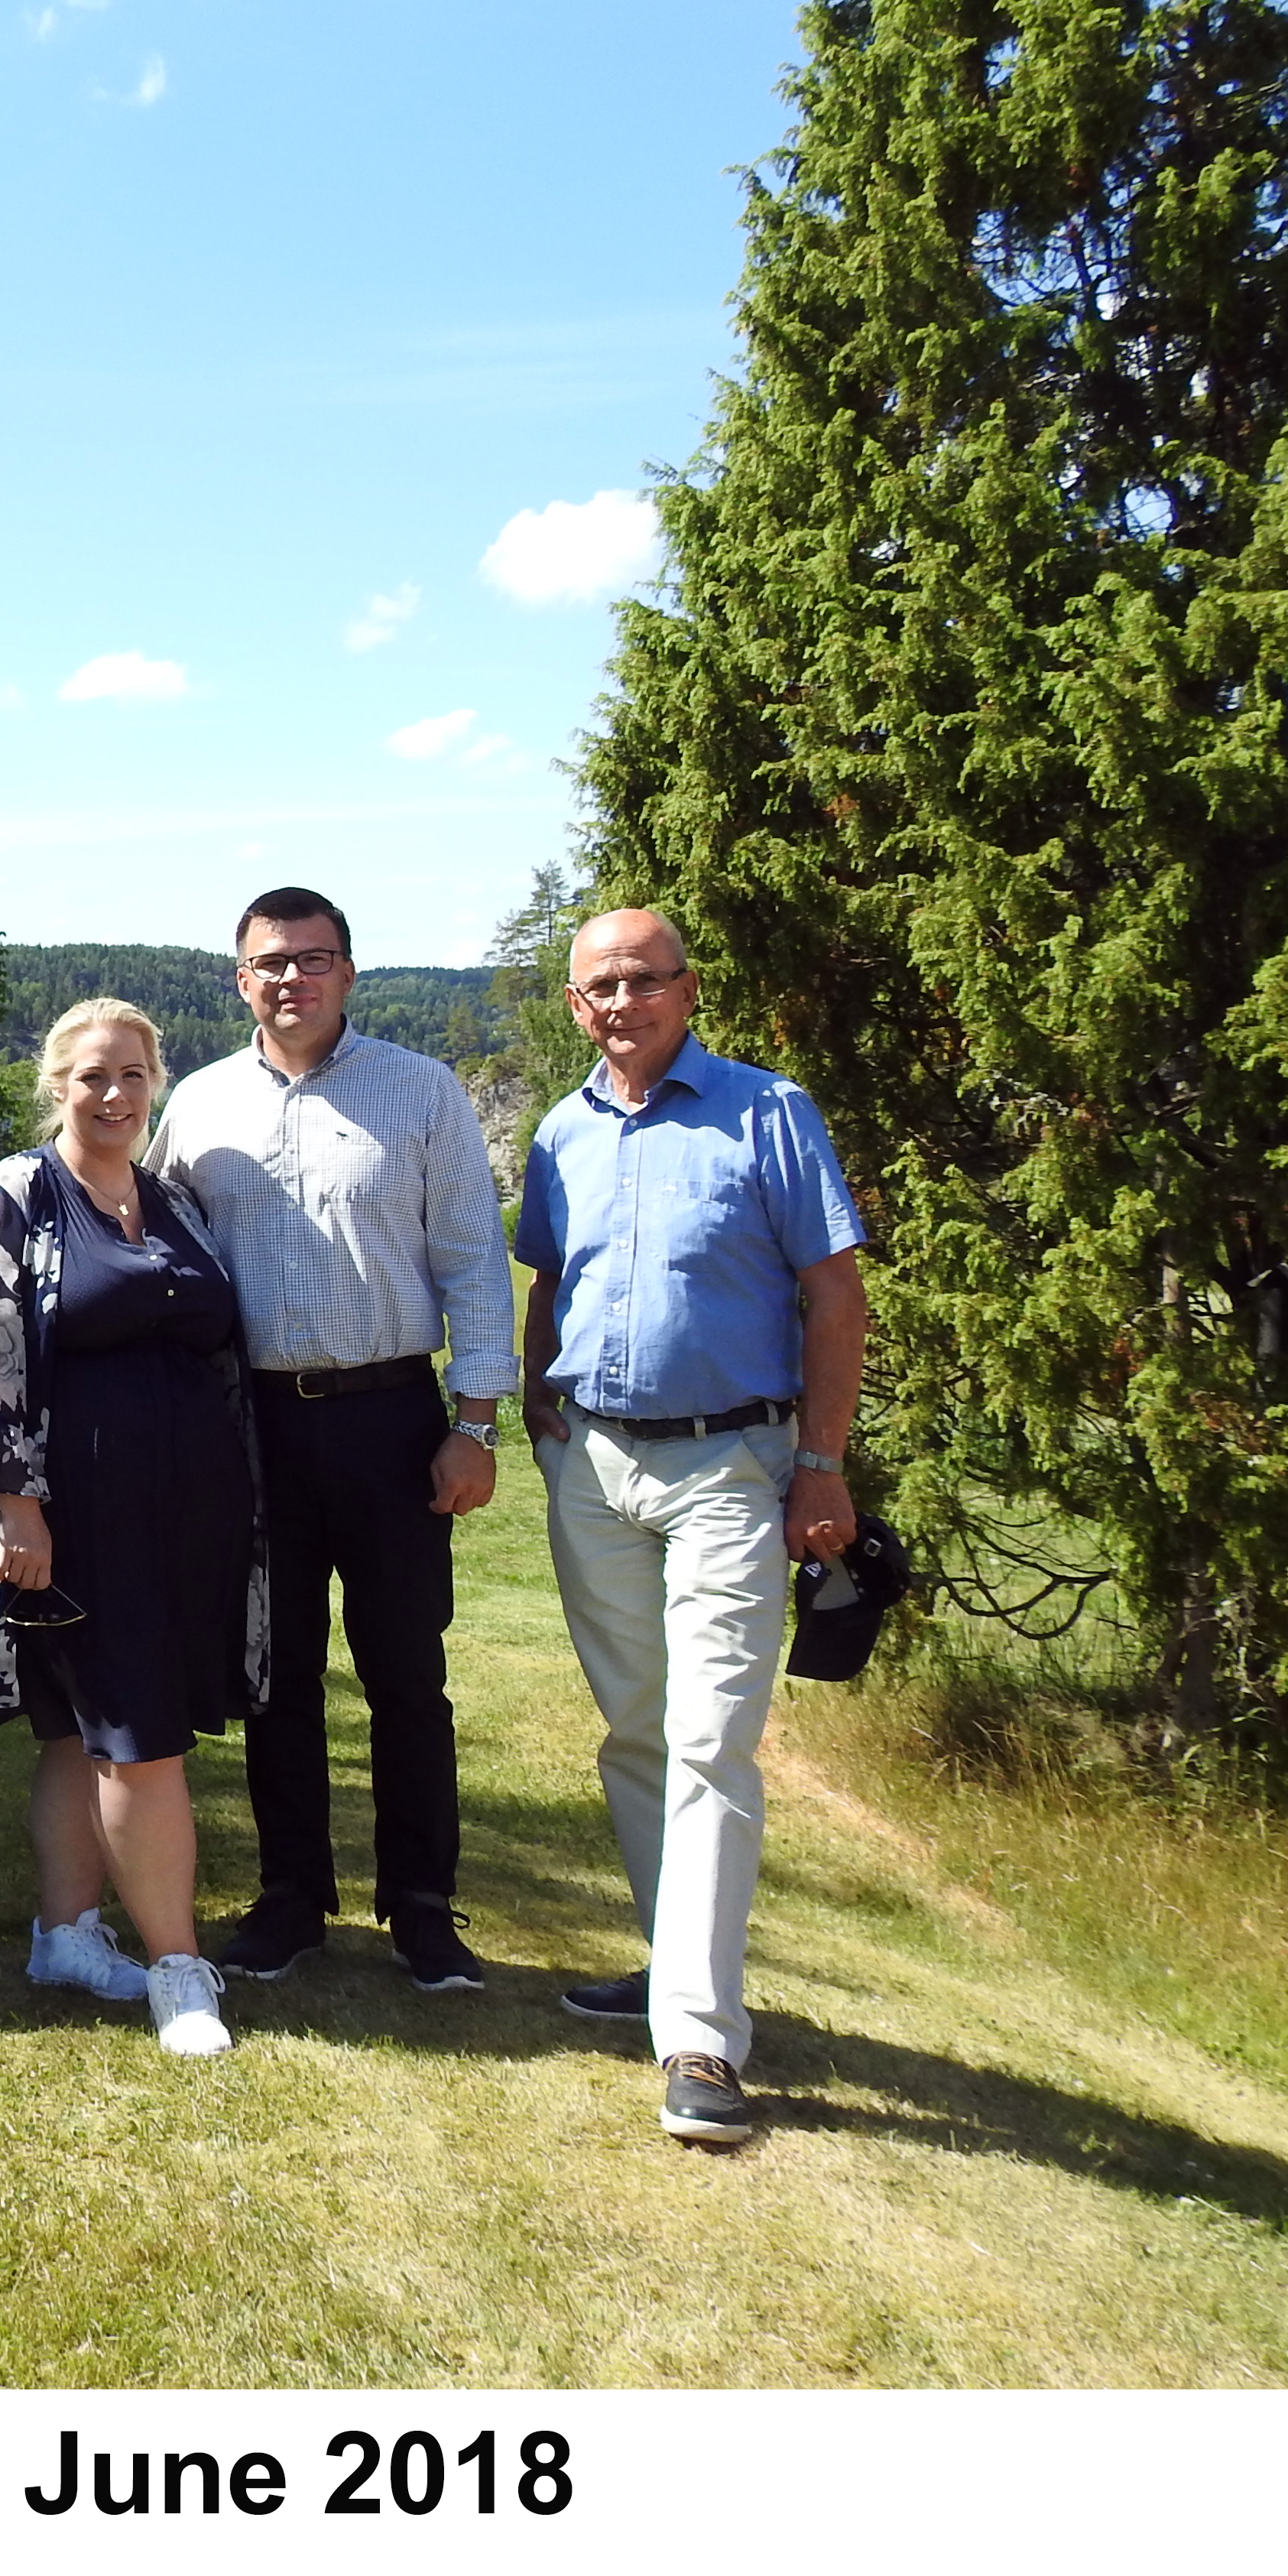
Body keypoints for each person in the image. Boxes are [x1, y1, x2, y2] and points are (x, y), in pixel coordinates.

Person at [516, 908, 868, 2147]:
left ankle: (700, 2044)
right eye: (598, 988)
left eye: (643, 982)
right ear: (574, 1006)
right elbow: (549, 1279)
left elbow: (835, 1297)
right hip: (594, 1464)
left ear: (686, 988)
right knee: (636, 1732)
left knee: (712, 1740)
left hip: (733, 1464)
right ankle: (674, 1969)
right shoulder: (559, 1130)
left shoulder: (769, 1113)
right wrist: (536, 1405)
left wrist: (817, 1466)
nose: (622, 1004)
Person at [149, 886, 516, 1993]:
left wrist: (475, 1423)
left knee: (408, 1673)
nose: (291, 980)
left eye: (314, 960)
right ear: (240, 981)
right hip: (255, 1428)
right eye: (270, 963)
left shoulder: (422, 1093)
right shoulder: (201, 1105)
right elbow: (157, 1255)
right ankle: (291, 1898)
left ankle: (422, 1908)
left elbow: (472, 1263)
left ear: (349, 972)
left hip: (393, 1419)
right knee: (281, 1674)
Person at [0, 1001, 265, 2060]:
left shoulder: (174, 1202)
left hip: (194, 1512)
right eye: (90, 1077)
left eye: (130, 1075)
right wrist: (17, 1507)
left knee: (83, 1734)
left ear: (154, 1082)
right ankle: (179, 1970)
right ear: (55, 1085)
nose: (113, 1095)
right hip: (78, 1512)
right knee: (140, 1741)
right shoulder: (14, 1196)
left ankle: (66, 1938)